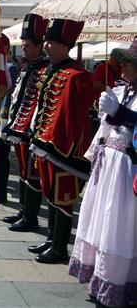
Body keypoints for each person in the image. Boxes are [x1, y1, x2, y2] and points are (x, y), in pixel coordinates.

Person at [68, 41, 137, 308]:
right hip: (107, 165)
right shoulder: (120, 90)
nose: (124, 67)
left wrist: (119, 113)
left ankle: (116, 282)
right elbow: (108, 129)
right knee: (99, 220)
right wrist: (106, 115)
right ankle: (99, 277)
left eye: (130, 63)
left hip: (125, 169)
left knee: (116, 225)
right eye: (123, 62)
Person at [29, 18, 93, 264]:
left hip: (65, 149)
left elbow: (72, 118)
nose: (46, 46)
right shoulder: (51, 71)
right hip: (46, 143)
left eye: (51, 42)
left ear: (65, 47)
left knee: (63, 199)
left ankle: (59, 247)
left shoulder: (77, 76)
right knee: (51, 194)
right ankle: (50, 239)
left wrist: (52, 144)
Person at [2, 13, 50, 231]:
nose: (24, 49)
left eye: (28, 45)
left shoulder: (44, 70)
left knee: (32, 176)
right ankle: (23, 210)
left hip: (31, 133)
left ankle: (31, 217)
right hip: (18, 130)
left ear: (40, 46)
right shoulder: (28, 67)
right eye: (23, 45)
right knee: (22, 171)